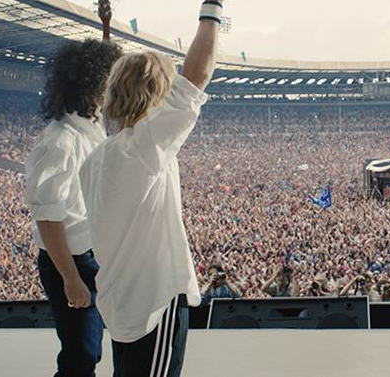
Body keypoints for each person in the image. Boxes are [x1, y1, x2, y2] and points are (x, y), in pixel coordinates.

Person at [78, 2, 220, 376]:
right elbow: (197, 77)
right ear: (156, 95)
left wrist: (107, 31)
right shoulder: (143, 149)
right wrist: (213, 9)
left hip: (121, 300)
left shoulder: (98, 158)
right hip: (153, 305)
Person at [23, 10, 121, 374]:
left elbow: (107, 67)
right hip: (71, 262)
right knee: (81, 355)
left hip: (93, 256)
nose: (114, 90)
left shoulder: (89, 125)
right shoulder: (60, 143)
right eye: (107, 82)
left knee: (92, 348)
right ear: (91, 86)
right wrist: (71, 280)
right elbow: (47, 217)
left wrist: (106, 28)